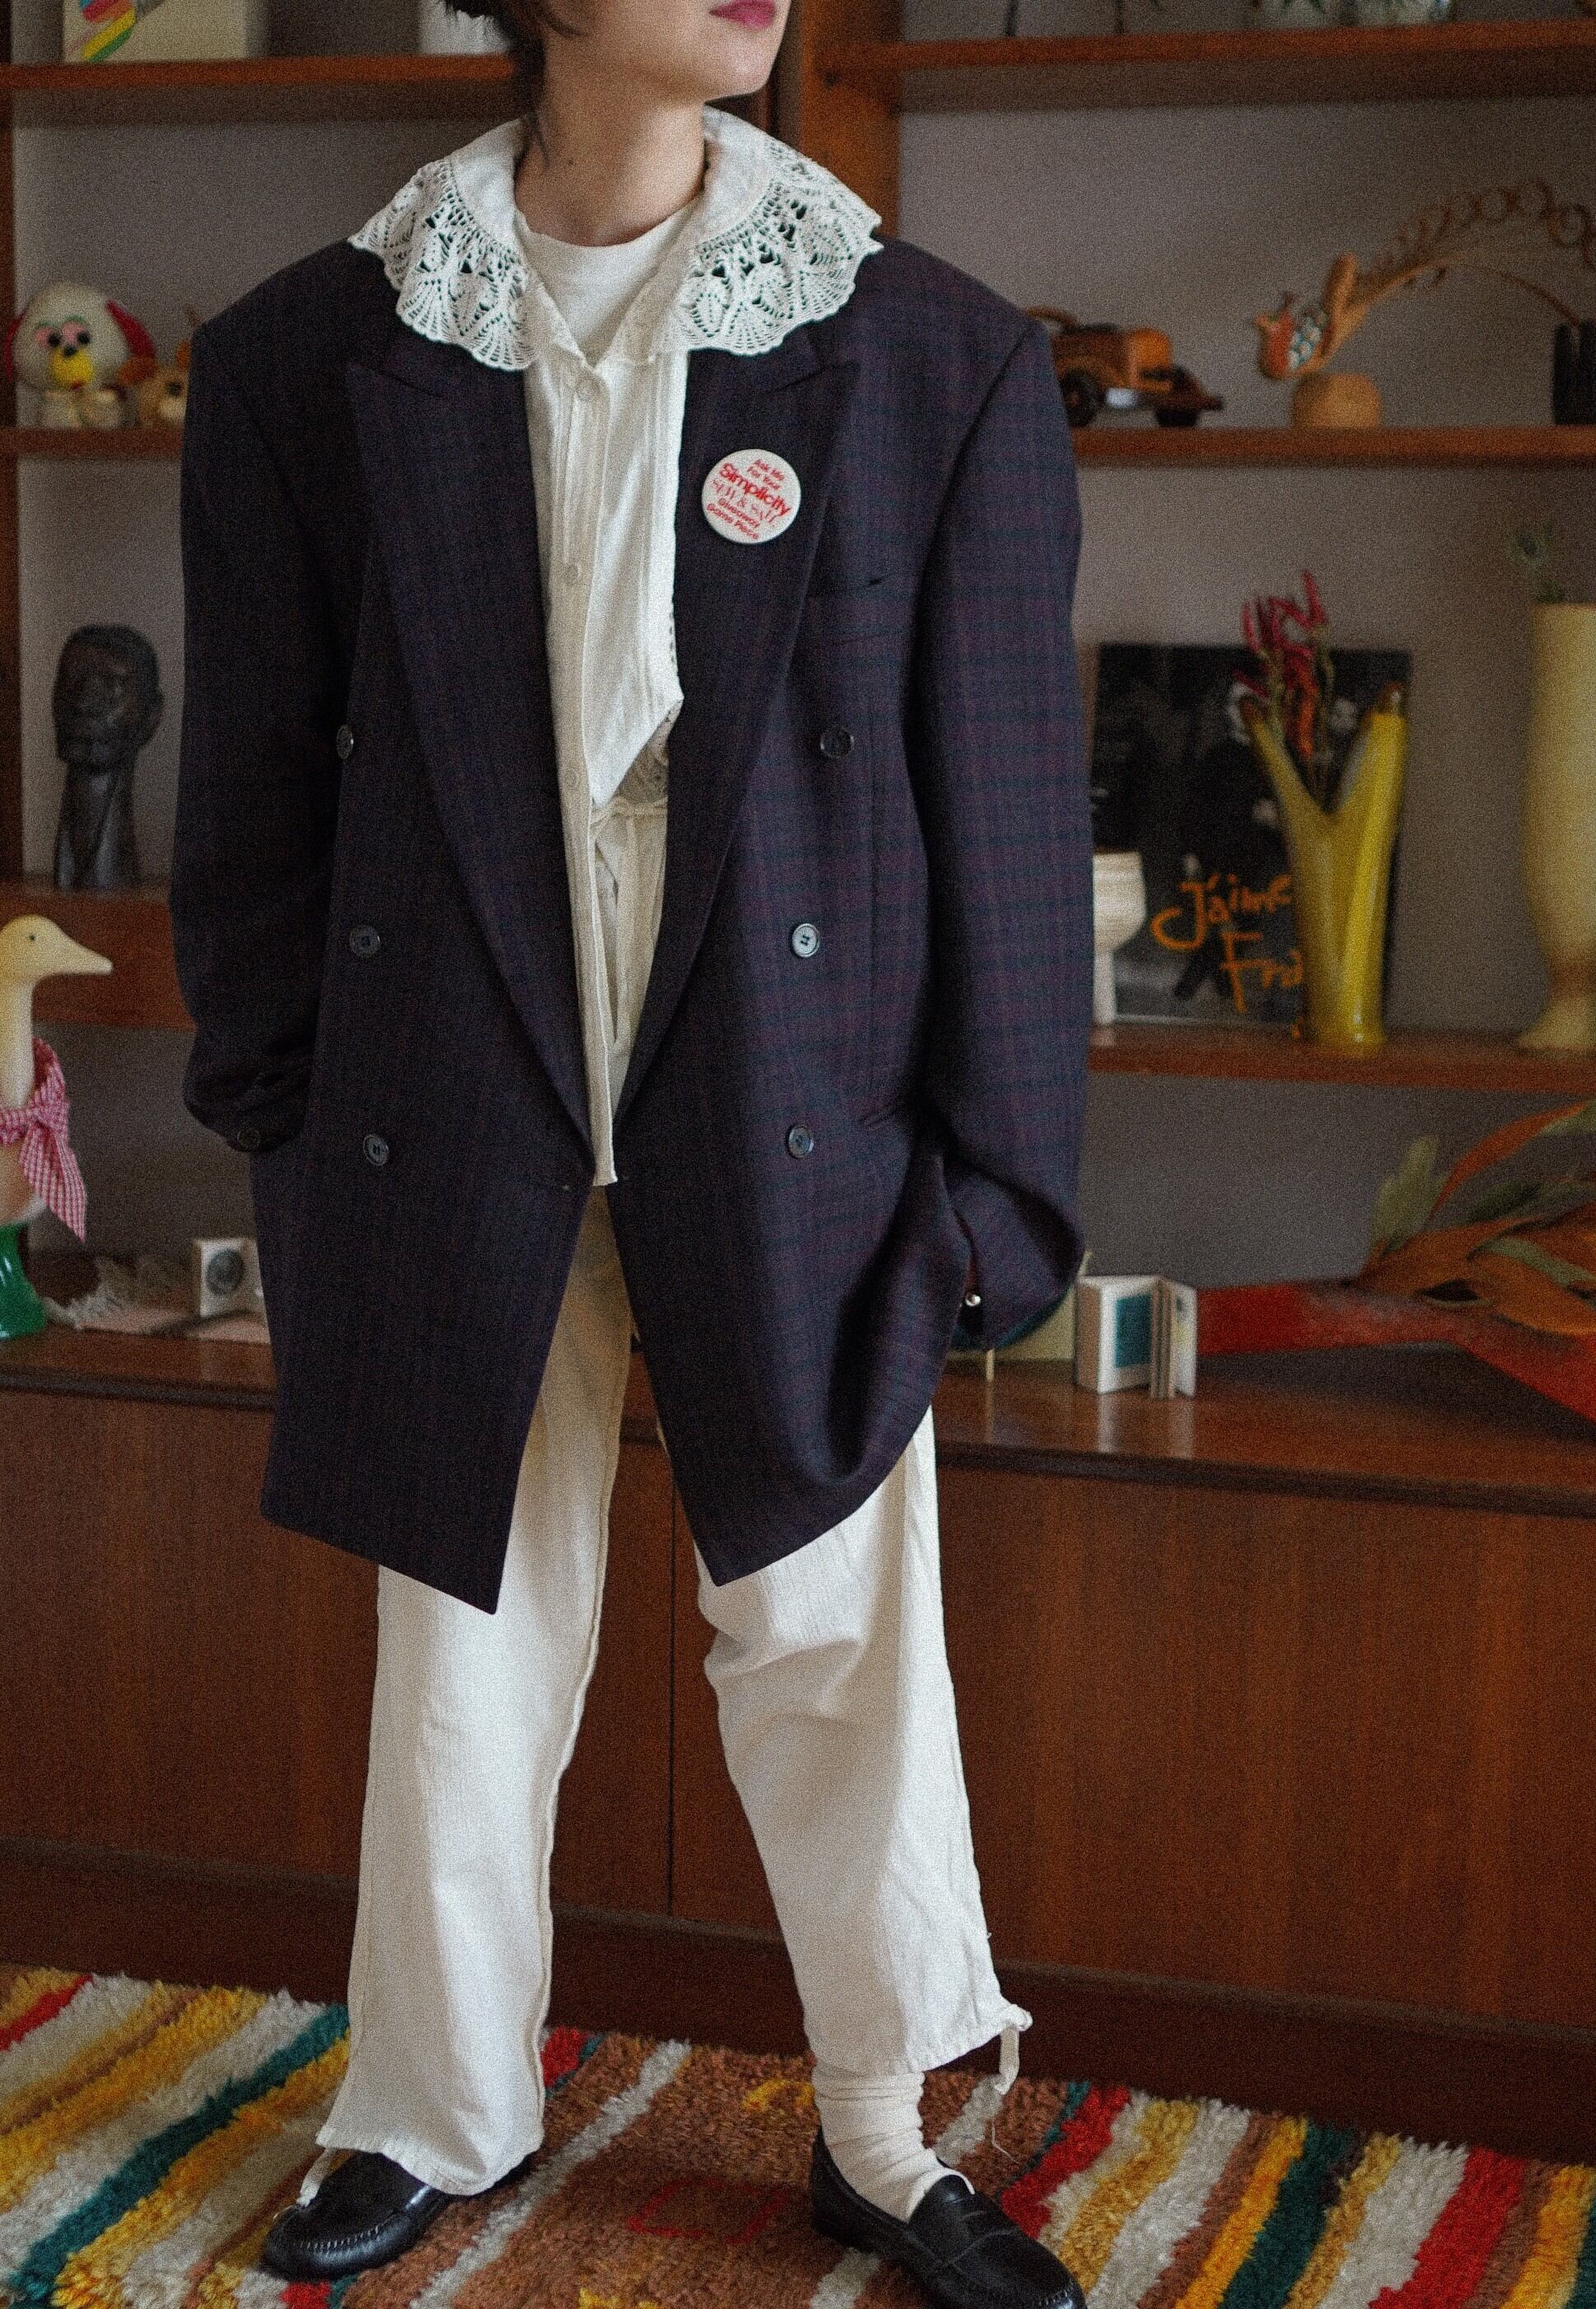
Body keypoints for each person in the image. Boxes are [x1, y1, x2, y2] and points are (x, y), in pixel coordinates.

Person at [169, 2, 1094, 2302]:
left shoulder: (930, 357)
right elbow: (256, 791)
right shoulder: (311, 361)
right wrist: (279, 1109)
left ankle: (881, 2133)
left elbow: (1000, 805)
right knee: (463, 1632)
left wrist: (1002, 1185)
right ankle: (429, 2106)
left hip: (796, 1097)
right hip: (447, 1092)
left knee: (837, 1623)